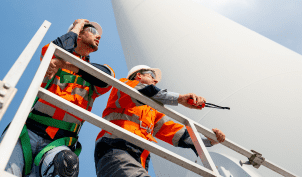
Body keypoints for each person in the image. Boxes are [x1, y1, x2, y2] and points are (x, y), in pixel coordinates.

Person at [2, 19, 115, 177]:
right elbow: (52, 51)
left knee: (67, 163)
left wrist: (64, 65)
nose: (99, 37)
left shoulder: (94, 74)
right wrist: (76, 27)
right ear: (79, 36)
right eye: (93, 31)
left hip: (59, 142)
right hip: (27, 133)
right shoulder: (53, 55)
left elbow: (107, 77)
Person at [94, 65, 225, 177]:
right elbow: (145, 91)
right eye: (151, 75)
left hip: (138, 159)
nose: (156, 80)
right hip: (115, 149)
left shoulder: (152, 112)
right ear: (138, 76)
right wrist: (180, 98)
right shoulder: (124, 85)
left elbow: (179, 135)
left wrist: (209, 141)